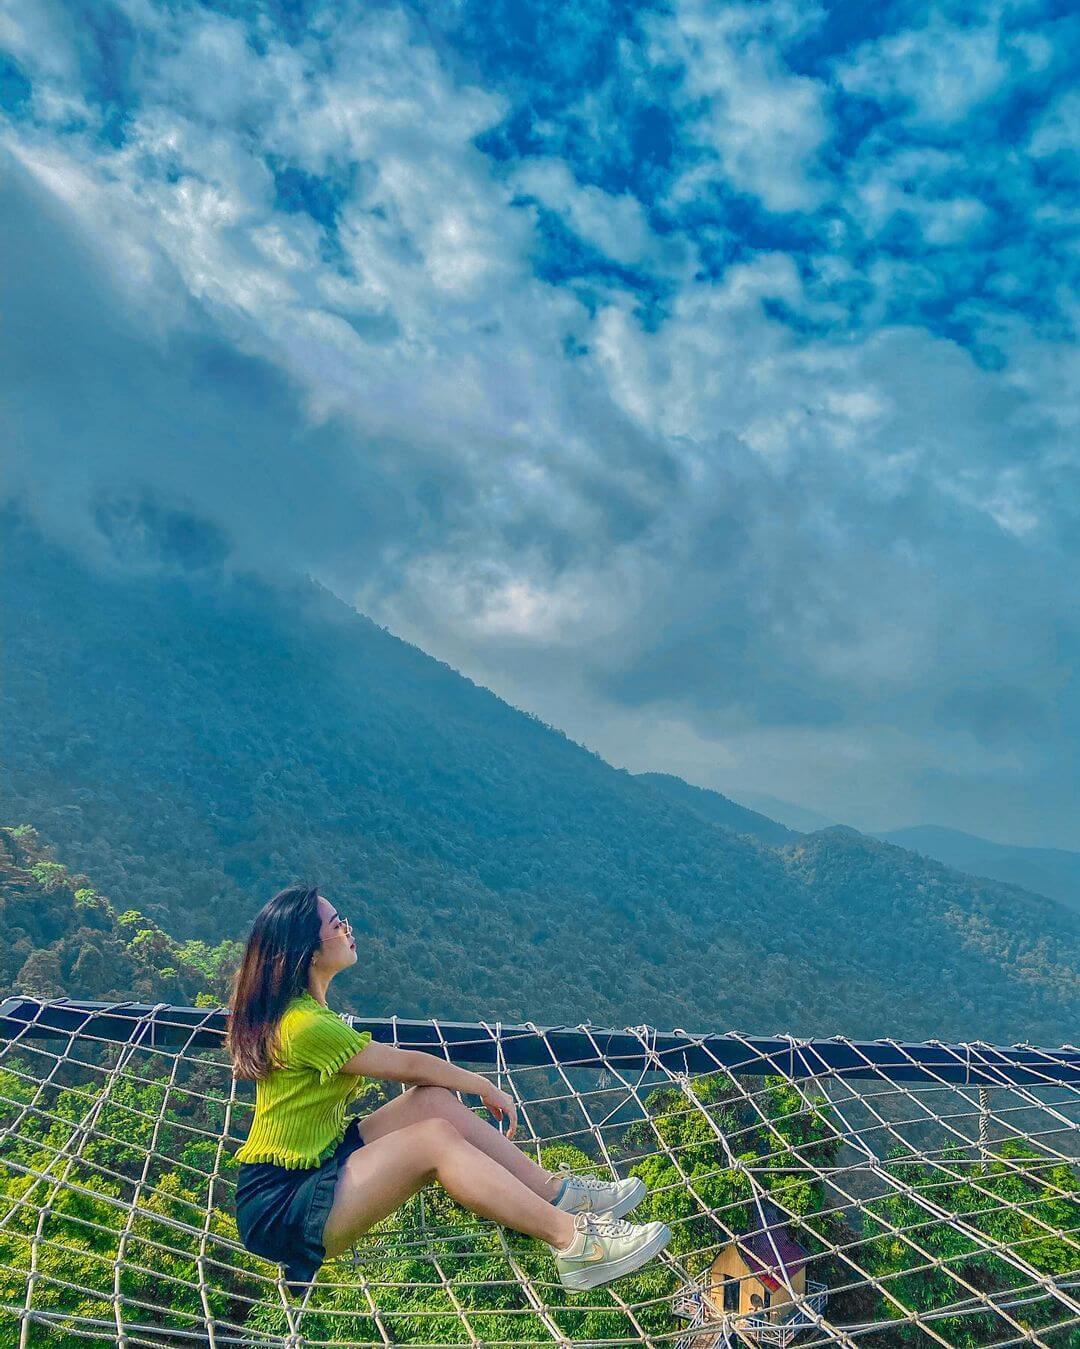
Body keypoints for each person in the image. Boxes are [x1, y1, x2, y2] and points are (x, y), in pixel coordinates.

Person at [227, 884, 672, 1293]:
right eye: (336, 923)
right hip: (280, 1203)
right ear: (306, 948)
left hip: (318, 1160)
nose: (347, 928)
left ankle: (559, 1194)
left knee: (432, 1103)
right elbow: (408, 1064)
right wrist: (483, 1085)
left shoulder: (304, 1012)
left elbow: (418, 1078)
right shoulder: (304, 1025)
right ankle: (575, 1244)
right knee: (433, 1140)